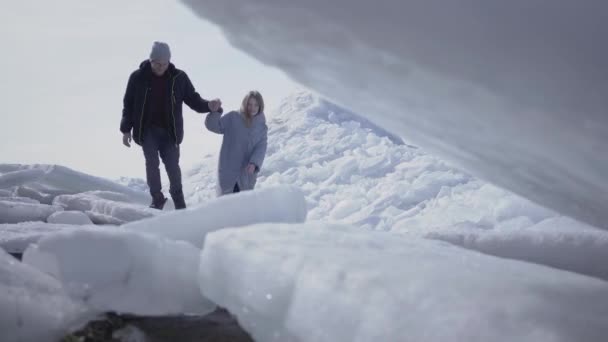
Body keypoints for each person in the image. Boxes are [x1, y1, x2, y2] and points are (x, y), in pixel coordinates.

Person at [120, 41, 222, 210]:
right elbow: (128, 104)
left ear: (169, 62)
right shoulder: (137, 78)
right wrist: (126, 129)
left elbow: (193, 99)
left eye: (165, 64)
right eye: (157, 64)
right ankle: (157, 198)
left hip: (170, 132)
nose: (161, 67)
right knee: (151, 163)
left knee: (173, 168)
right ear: (151, 60)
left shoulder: (179, 78)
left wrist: (209, 106)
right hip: (147, 130)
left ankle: (179, 203)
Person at [205, 90, 268, 195]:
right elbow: (214, 126)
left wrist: (254, 163)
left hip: (247, 172)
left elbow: (261, 147)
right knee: (226, 203)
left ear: (260, 106)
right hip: (229, 169)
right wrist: (216, 111)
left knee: (243, 204)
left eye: (256, 105)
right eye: (250, 104)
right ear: (245, 103)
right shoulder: (233, 117)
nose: (252, 108)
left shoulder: (261, 127)